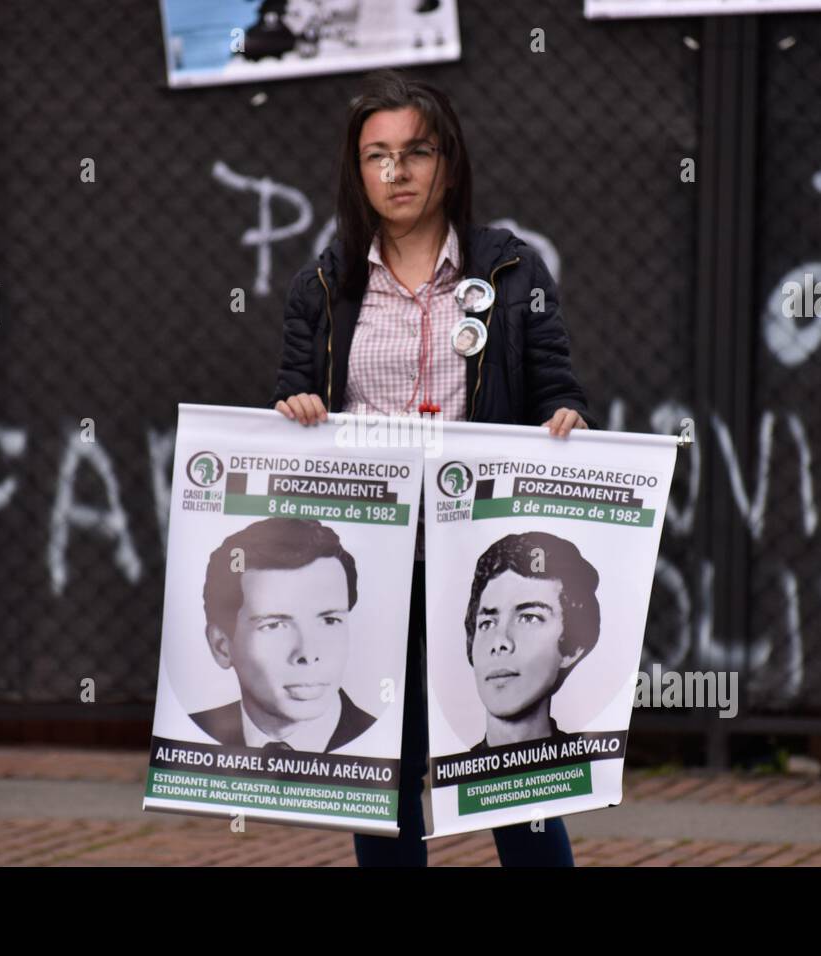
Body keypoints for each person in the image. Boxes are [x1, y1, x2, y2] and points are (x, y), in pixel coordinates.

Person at [271, 69, 596, 866]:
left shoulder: (512, 274)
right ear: (357, 171)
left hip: (477, 565)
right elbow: (286, 404)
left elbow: (559, 392)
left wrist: (566, 420)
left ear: (448, 161)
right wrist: (298, 410)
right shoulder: (323, 285)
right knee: (383, 781)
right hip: (372, 571)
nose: (396, 172)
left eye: (415, 152)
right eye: (376, 156)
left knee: (510, 773)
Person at [193, 517, 376, 754]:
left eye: (330, 620)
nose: (308, 654)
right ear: (221, 646)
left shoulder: (388, 745)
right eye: (275, 625)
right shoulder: (190, 737)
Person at [463, 532, 601, 753]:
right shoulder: (455, 779)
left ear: (573, 648)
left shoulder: (585, 771)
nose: (500, 641)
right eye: (487, 622)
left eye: (528, 618)